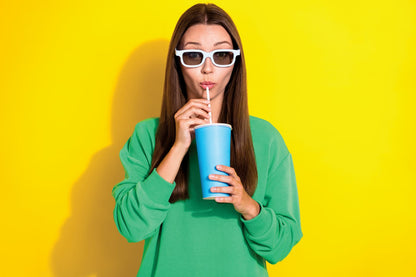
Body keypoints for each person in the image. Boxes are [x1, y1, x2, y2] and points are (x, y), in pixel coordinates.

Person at [112, 3, 302, 277]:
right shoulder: (147, 135)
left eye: (222, 54)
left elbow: (280, 247)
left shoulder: (266, 139)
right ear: (178, 61)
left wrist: (247, 204)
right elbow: (131, 227)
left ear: (235, 63)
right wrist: (178, 148)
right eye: (193, 55)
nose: (208, 68)